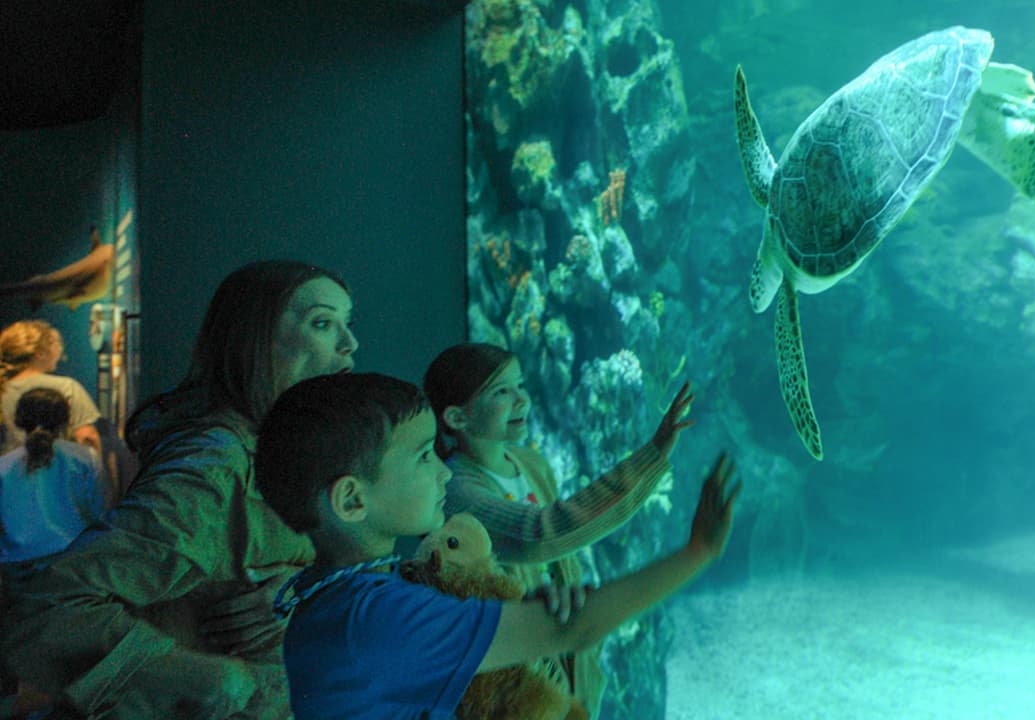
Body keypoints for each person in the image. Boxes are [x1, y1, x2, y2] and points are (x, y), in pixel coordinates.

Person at [256, 372, 739, 720]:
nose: (443, 472)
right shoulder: (376, 618)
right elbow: (575, 628)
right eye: (423, 457)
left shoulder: (334, 597)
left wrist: (516, 613)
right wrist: (698, 552)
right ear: (352, 500)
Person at [0, 260, 358, 719]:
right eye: (322, 323)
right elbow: (46, 609)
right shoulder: (214, 468)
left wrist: (303, 586)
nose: (350, 343)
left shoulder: (277, 451)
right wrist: (199, 675)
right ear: (255, 340)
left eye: (347, 323)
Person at [423, 343, 694, 715]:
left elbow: (563, 556)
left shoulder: (531, 463)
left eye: (520, 385)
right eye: (501, 392)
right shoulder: (457, 490)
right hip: (518, 682)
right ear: (457, 417)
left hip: (569, 661)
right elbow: (543, 534)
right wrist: (652, 457)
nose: (521, 399)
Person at [0, 388, 110, 581]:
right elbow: (100, 511)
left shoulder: (4, 465)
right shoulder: (86, 458)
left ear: (19, 420)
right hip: (71, 563)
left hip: (16, 567)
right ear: (65, 419)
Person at [0, 319, 102, 456]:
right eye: (56, 344)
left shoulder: (3, 388)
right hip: (57, 467)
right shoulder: (67, 387)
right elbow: (87, 437)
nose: (60, 350)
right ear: (40, 353)